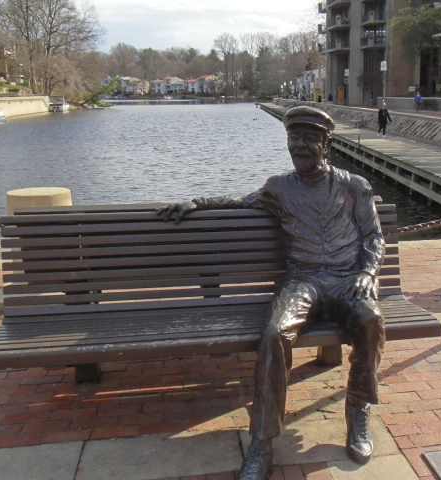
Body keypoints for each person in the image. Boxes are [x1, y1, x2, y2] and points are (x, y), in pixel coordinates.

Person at [157, 107, 385, 480]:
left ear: (325, 144)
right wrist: (197, 203)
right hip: (303, 281)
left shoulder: (353, 185)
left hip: (347, 279)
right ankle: (262, 444)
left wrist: (367, 272)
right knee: (275, 333)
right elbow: (240, 200)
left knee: (371, 320)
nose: (300, 145)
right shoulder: (279, 187)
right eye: (294, 139)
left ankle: (358, 410)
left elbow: (374, 236)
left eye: (309, 139)